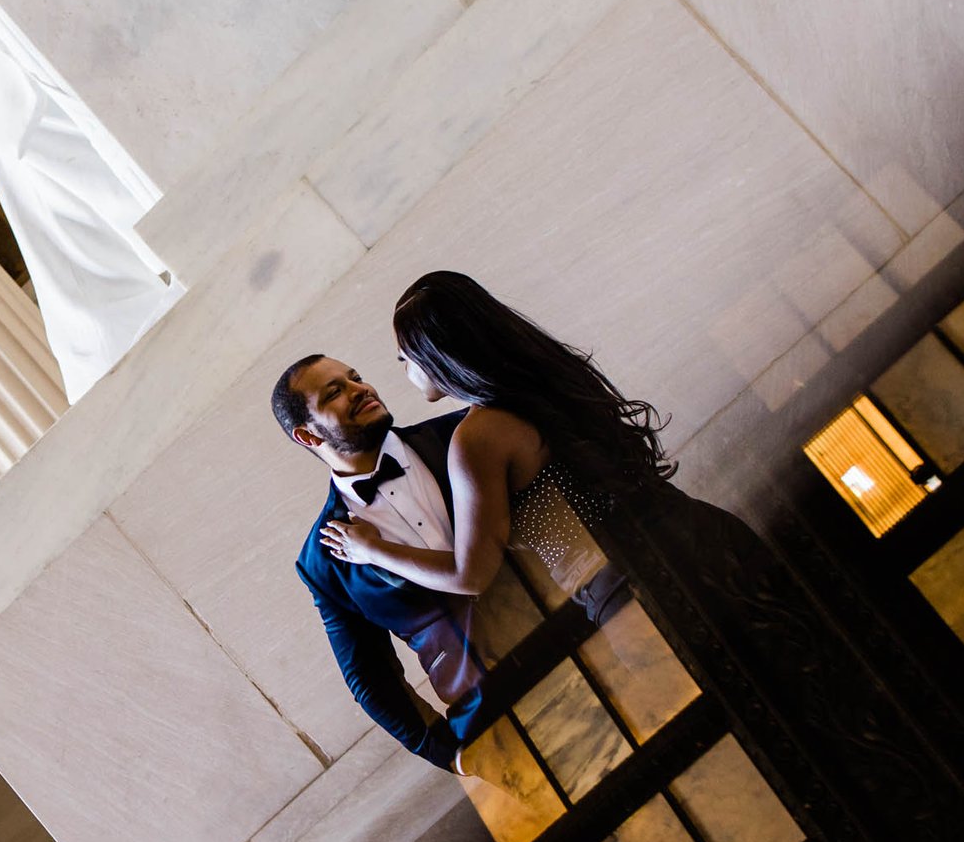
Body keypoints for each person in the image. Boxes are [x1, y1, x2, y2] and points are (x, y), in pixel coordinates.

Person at [320, 271, 762, 683]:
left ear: (434, 355)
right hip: (703, 533)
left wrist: (372, 550)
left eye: (405, 358)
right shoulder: (548, 375)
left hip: (637, 596)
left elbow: (469, 574)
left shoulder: (477, 437)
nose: (403, 371)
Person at [275, 354, 504, 772]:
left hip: (592, 642)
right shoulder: (322, 560)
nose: (359, 388)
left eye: (355, 377)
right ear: (307, 436)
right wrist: (452, 755)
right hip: (496, 727)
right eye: (335, 392)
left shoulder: (462, 434)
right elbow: (371, 679)